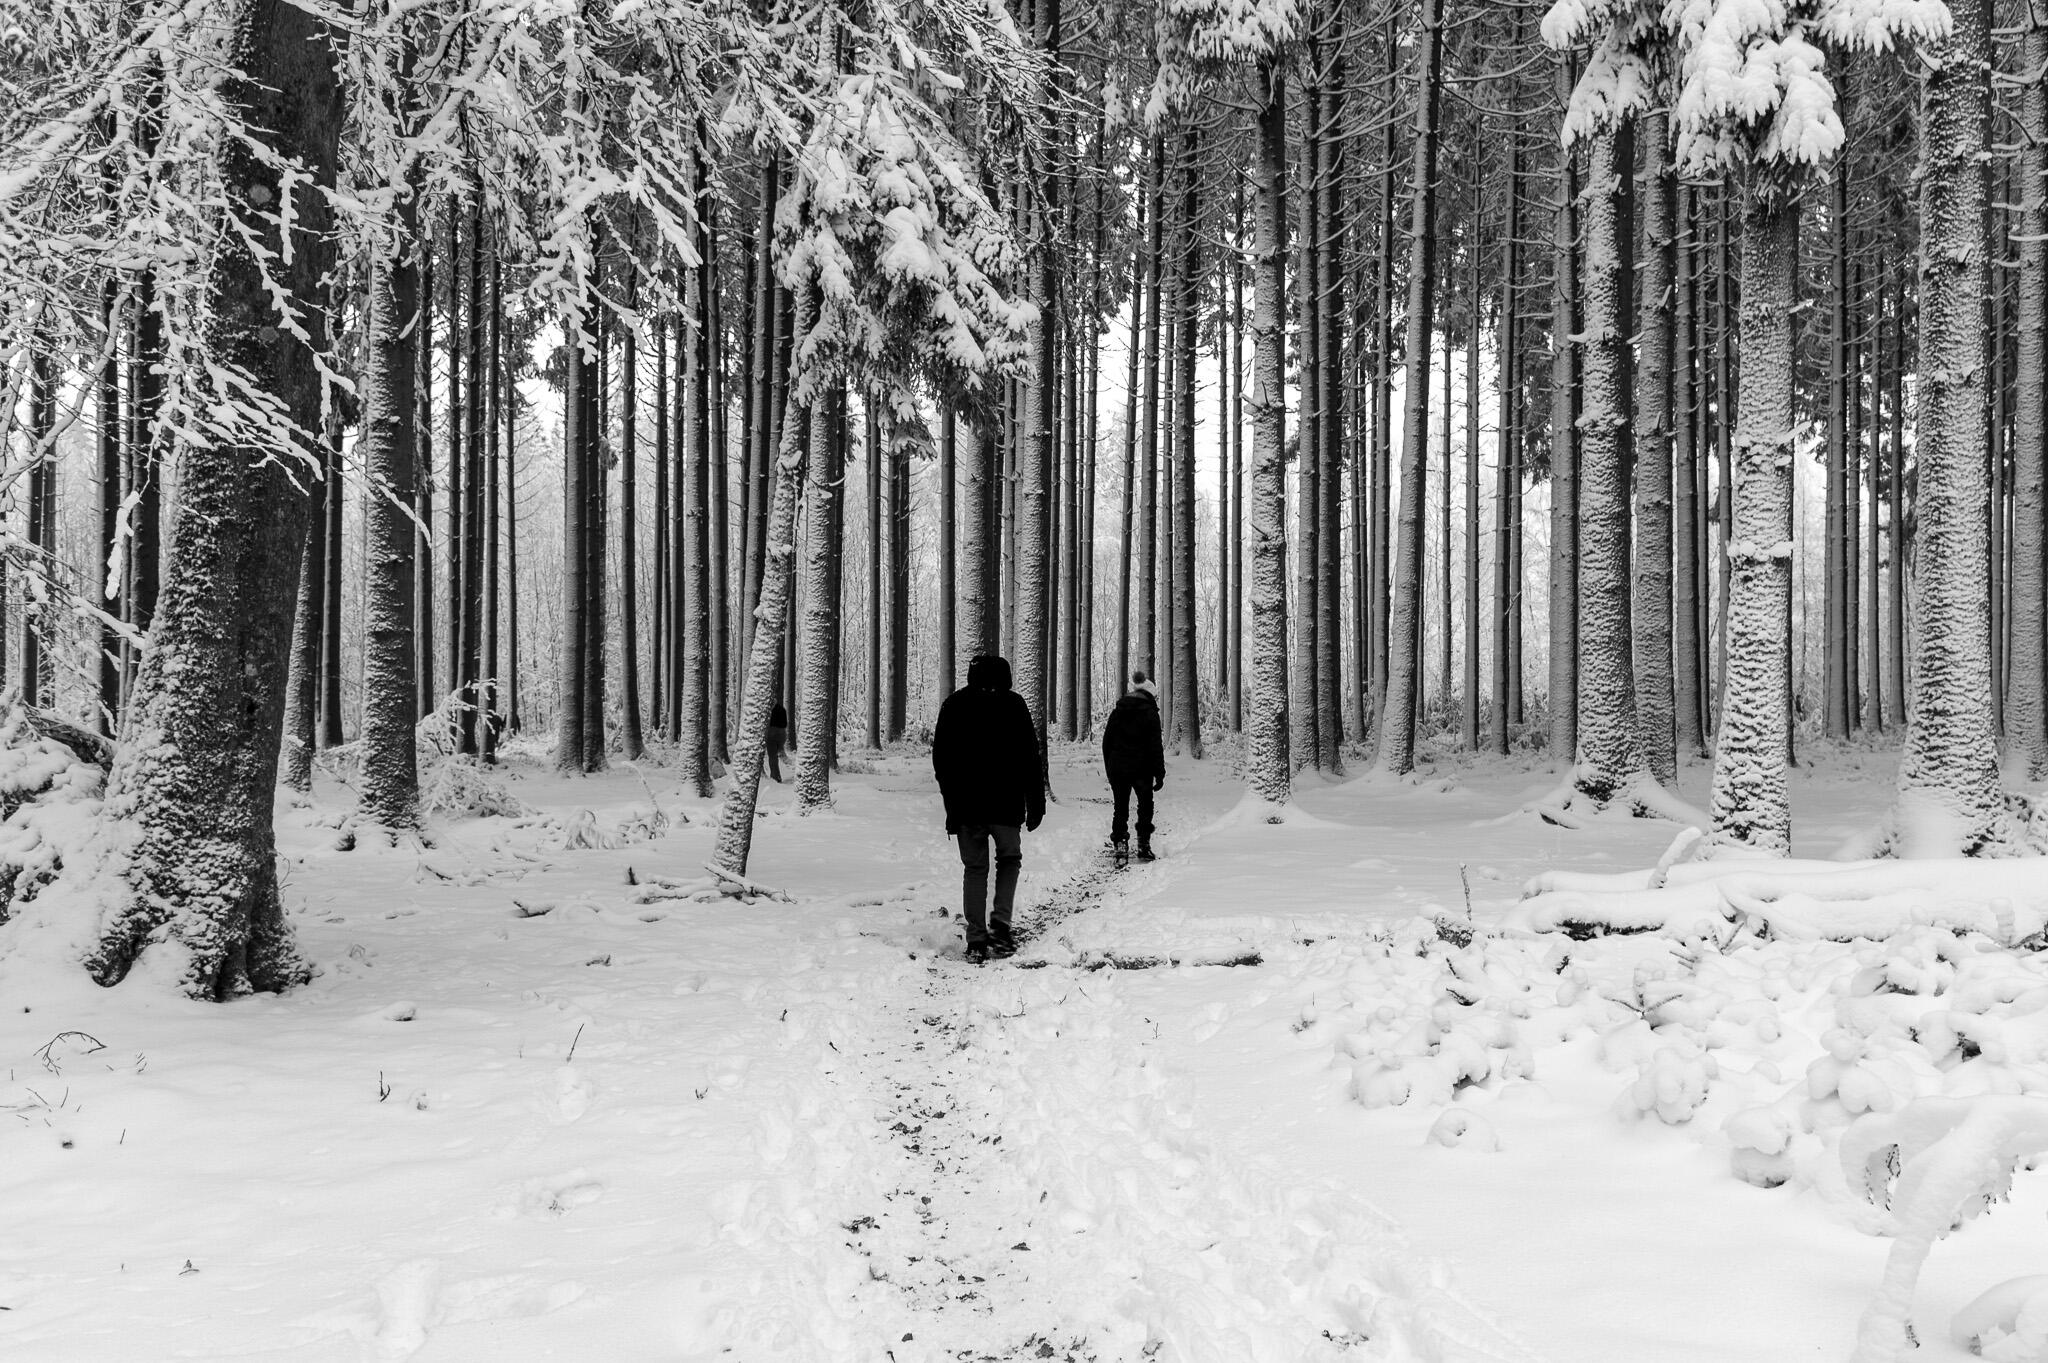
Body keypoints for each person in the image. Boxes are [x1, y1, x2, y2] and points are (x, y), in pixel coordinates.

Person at [931, 655, 1044, 964]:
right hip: (1006, 804)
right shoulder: (1015, 705)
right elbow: (1031, 758)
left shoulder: (954, 705)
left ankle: (977, 940)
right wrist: (1036, 804)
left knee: (975, 869)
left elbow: (941, 760)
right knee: (1009, 860)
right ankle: (1001, 926)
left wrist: (951, 802)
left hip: (967, 807)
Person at [1101, 670, 1165, 862]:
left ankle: (1120, 843)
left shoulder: (1118, 711)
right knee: (1145, 806)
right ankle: (1143, 844)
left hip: (1118, 768)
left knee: (1120, 807)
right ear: (1149, 694)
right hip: (1142, 769)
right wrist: (1159, 773)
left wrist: (1110, 768)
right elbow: (1155, 746)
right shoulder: (1150, 714)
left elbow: (1107, 742)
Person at [763, 700, 789, 783]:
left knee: (772, 757)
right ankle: (777, 775)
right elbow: (785, 724)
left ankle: (775, 776)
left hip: (772, 734)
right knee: (775, 756)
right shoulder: (782, 709)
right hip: (782, 734)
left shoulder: (768, 710)